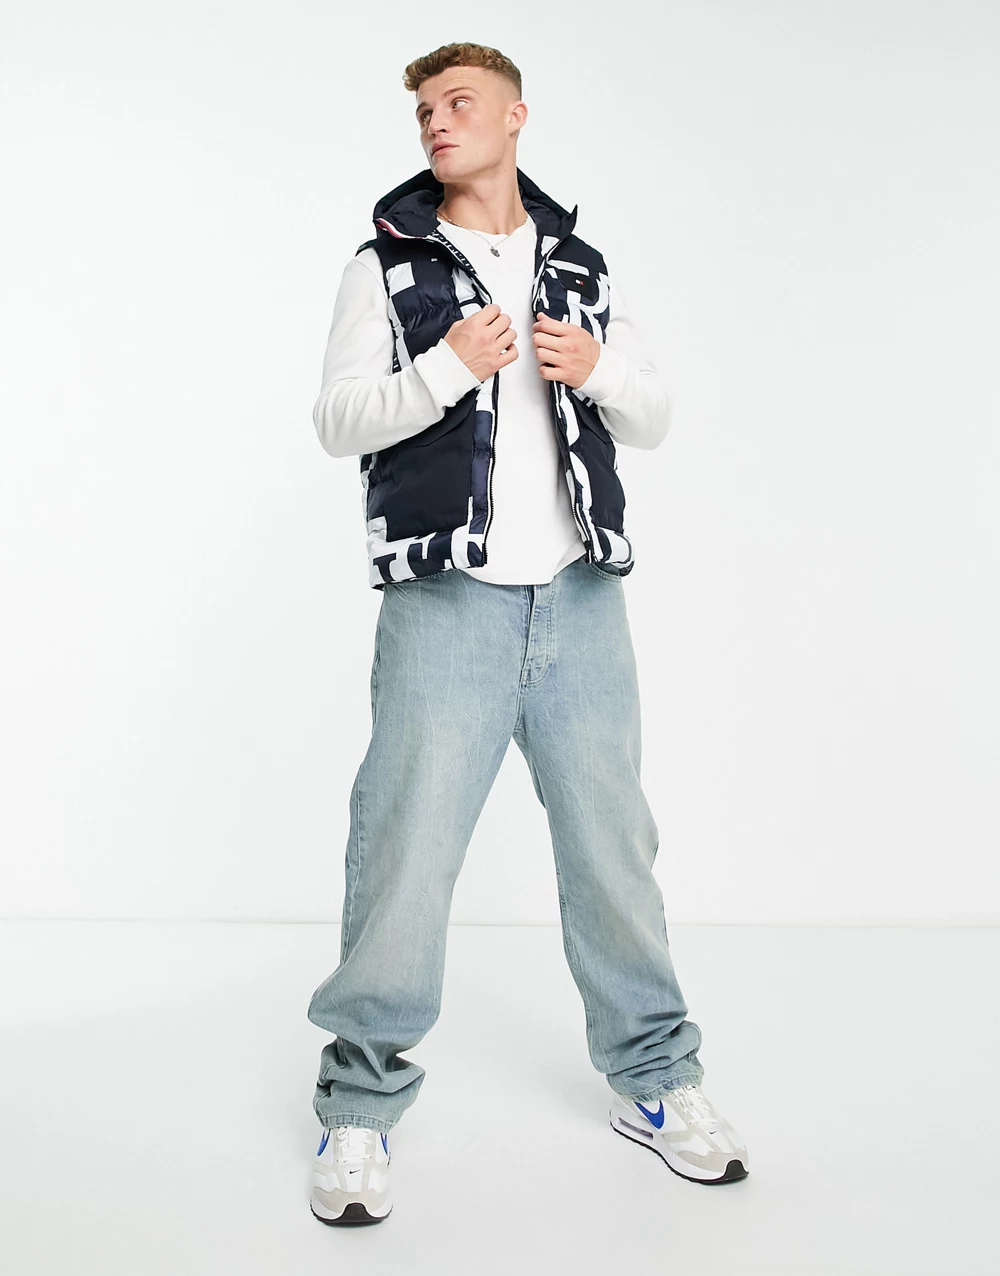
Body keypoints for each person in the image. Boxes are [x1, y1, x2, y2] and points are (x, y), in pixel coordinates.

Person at [307, 42, 749, 1227]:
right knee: (402, 854)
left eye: (457, 103)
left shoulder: (580, 266)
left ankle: (654, 1081)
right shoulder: (384, 266)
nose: (435, 124)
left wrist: (597, 368)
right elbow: (337, 419)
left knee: (614, 849)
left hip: (582, 597)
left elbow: (653, 414)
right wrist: (446, 370)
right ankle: (358, 1102)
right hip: (445, 599)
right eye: (423, 110)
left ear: (515, 116)